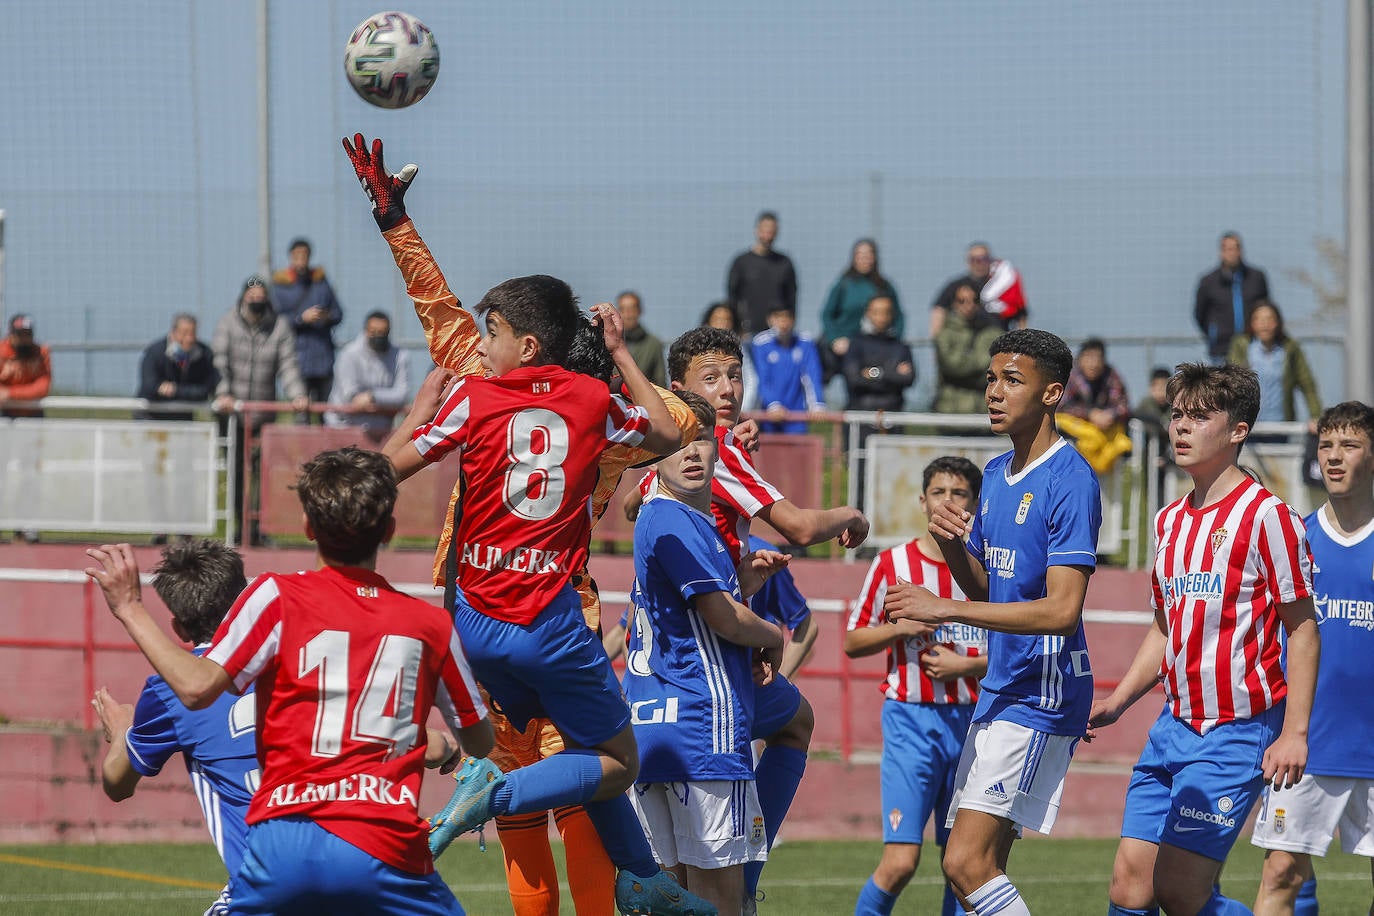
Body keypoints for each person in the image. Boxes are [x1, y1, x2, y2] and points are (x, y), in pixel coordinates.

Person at [344, 133, 711, 916]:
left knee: (535, 794)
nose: (480, 343)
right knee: (590, 771)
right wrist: (640, 365)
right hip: (556, 606)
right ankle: (633, 883)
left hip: (473, 602)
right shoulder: (603, 410)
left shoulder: (485, 386)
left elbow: (438, 309)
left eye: (493, 334)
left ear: (522, 345)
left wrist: (393, 221)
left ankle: (584, 859)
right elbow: (683, 420)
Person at [86, 447, 494, 914]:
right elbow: (480, 742)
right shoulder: (429, 624)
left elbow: (196, 688)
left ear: (306, 527)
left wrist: (130, 607)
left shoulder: (274, 596)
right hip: (382, 840)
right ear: (390, 531)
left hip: (283, 843)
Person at [649, 324, 869, 911]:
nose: (727, 388)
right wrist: (850, 513)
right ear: (678, 389)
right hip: (711, 665)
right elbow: (797, 526)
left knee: (673, 878)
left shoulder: (661, 454)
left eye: (734, 375)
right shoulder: (712, 450)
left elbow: (625, 502)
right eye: (710, 377)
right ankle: (746, 870)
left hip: (655, 672)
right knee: (793, 724)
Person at [884, 328, 1103, 916]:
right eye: (990, 379)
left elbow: (1061, 612)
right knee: (974, 869)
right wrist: (953, 547)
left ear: (1052, 393)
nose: (994, 393)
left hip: (1041, 692)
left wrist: (943, 607)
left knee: (964, 863)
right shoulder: (998, 472)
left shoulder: (1070, 479)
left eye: (1012, 381)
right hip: (1003, 689)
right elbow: (989, 585)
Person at [1088, 362, 1319, 916]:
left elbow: (1304, 629)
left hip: (1235, 732)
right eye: (1175, 415)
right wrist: (1119, 701)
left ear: (1238, 429)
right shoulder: (1169, 520)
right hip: (1173, 726)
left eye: (1199, 416)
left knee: (1180, 893)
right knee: (1128, 888)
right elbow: (1166, 626)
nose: (1180, 428)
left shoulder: (1269, 517)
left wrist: (1295, 733)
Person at [624, 391, 788, 914]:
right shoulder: (677, 520)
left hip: (652, 727)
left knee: (672, 898)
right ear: (652, 458)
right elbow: (722, 619)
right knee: (720, 899)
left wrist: (742, 582)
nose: (691, 452)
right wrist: (771, 635)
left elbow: (692, 612)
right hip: (703, 727)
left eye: (700, 439)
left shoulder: (665, 519)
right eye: (677, 442)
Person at [847, 456, 987, 916]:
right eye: (940, 492)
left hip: (974, 727)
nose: (949, 501)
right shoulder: (893, 564)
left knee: (963, 865)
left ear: (974, 504)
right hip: (911, 721)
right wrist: (899, 629)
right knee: (901, 861)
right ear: (923, 500)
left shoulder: (987, 572)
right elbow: (852, 640)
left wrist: (967, 668)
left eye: (960, 493)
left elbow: (1017, 648)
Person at [1249, 401, 1374, 916]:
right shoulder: (1295, 538)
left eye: (1349, 445)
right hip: (1307, 744)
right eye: (1326, 445)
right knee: (1281, 874)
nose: (1334, 457)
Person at [91, 539, 255, 916]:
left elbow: (117, 783)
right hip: (345, 859)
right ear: (248, 600)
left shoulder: (169, 691)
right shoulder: (296, 658)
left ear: (179, 628)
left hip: (263, 880)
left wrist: (121, 733)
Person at [211, 275, 309, 544]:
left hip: (263, 412)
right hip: (233, 416)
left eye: (261, 297)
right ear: (243, 297)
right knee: (236, 472)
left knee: (262, 473)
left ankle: (258, 529)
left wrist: (297, 394)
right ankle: (237, 527)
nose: (256, 302)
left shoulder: (280, 327)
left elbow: (287, 365)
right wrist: (224, 394)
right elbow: (219, 362)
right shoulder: (227, 324)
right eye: (251, 297)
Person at [272, 237, 343, 419]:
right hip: (296, 357)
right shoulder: (281, 286)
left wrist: (325, 316)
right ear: (290, 257)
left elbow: (338, 313)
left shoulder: (321, 282)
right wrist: (301, 319)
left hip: (323, 357)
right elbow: (276, 320)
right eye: (297, 255)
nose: (301, 259)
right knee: (300, 413)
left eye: (305, 255)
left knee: (324, 414)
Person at [1227, 300, 1322, 432]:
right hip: (1249, 425)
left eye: (1269, 319)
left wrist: (1316, 416)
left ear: (1278, 322)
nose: (1265, 324)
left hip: (1281, 423)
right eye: (1259, 319)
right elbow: (1230, 383)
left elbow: (1307, 385)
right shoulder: (1241, 347)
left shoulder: (1290, 348)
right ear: (1252, 323)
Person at [820, 239, 904, 382]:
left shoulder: (884, 286)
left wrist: (894, 344)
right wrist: (834, 339)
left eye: (868, 254)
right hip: (843, 345)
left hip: (871, 347)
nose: (865, 259)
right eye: (860, 255)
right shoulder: (844, 284)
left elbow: (899, 316)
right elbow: (827, 314)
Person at [325, 310, 412, 440]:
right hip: (344, 426)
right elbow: (351, 396)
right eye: (374, 332)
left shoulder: (400, 356)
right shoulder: (349, 354)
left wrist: (373, 396)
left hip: (381, 430)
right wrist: (386, 399)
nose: (378, 336)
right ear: (366, 330)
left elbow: (402, 395)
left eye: (383, 332)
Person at [1056, 337, 1133, 474]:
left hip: (1104, 429)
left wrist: (1110, 415)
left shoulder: (1111, 375)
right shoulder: (1070, 375)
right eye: (1089, 358)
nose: (1094, 364)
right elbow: (1060, 405)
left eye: (1098, 358)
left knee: (1118, 439)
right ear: (1080, 359)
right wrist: (1090, 414)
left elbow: (1123, 405)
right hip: (1074, 434)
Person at [1195, 231, 1270, 363]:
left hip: (1252, 347)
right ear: (1221, 252)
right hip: (1221, 350)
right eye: (1228, 249)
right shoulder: (1208, 281)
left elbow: (1265, 307)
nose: (1232, 253)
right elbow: (1199, 314)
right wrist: (1214, 334)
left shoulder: (1256, 277)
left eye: (1236, 248)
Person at [751, 304, 826, 434]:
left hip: (796, 414)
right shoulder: (761, 343)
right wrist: (773, 404)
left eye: (787, 317)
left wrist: (817, 404)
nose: (783, 322)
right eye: (778, 317)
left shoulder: (805, 342)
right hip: (768, 415)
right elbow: (761, 378)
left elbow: (812, 375)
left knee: (797, 452)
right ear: (770, 320)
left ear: (794, 319)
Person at [930, 243, 1027, 336]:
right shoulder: (955, 286)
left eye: (983, 259)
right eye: (974, 259)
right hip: (966, 343)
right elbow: (938, 311)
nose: (979, 263)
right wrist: (936, 342)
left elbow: (1021, 315)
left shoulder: (1005, 285)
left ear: (990, 260)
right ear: (968, 261)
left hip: (998, 339)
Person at [933, 282, 1001, 415]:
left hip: (984, 411)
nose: (968, 306)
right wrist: (980, 365)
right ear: (954, 303)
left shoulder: (993, 333)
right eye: (962, 301)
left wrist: (968, 364)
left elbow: (996, 371)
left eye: (974, 300)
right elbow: (953, 367)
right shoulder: (944, 334)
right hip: (950, 411)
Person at [136, 313, 219, 421]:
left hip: (183, 416)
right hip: (150, 416)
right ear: (173, 333)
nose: (189, 339)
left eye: (192, 333)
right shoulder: (155, 353)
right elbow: (149, 386)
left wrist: (174, 390)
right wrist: (160, 388)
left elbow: (205, 389)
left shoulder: (204, 354)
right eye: (184, 333)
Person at [727, 211, 798, 336]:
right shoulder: (741, 262)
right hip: (748, 330)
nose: (768, 234)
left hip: (777, 331)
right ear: (757, 230)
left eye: (772, 230)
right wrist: (738, 326)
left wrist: (789, 324)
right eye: (765, 229)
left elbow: (792, 298)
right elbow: (732, 297)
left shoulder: (785, 263)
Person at [842, 294, 916, 413]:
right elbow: (854, 378)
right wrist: (892, 374)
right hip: (862, 414)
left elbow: (909, 378)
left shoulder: (901, 346)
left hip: (894, 414)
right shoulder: (856, 344)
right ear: (867, 313)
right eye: (876, 312)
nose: (882, 317)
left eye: (886, 312)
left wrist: (873, 373)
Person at [0, 312, 52, 418]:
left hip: (33, 411)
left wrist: (10, 393)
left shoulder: (41, 353)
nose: (24, 339)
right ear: (10, 335)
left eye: (28, 334)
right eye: (20, 335)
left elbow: (42, 387)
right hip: (5, 411)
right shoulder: (2, 352)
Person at [618, 290, 667, 388]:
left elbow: (660, 381)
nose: (627, 315)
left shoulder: (654, 344)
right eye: (623, 309)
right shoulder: (609, 342)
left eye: (632, 309)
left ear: (639, 311)